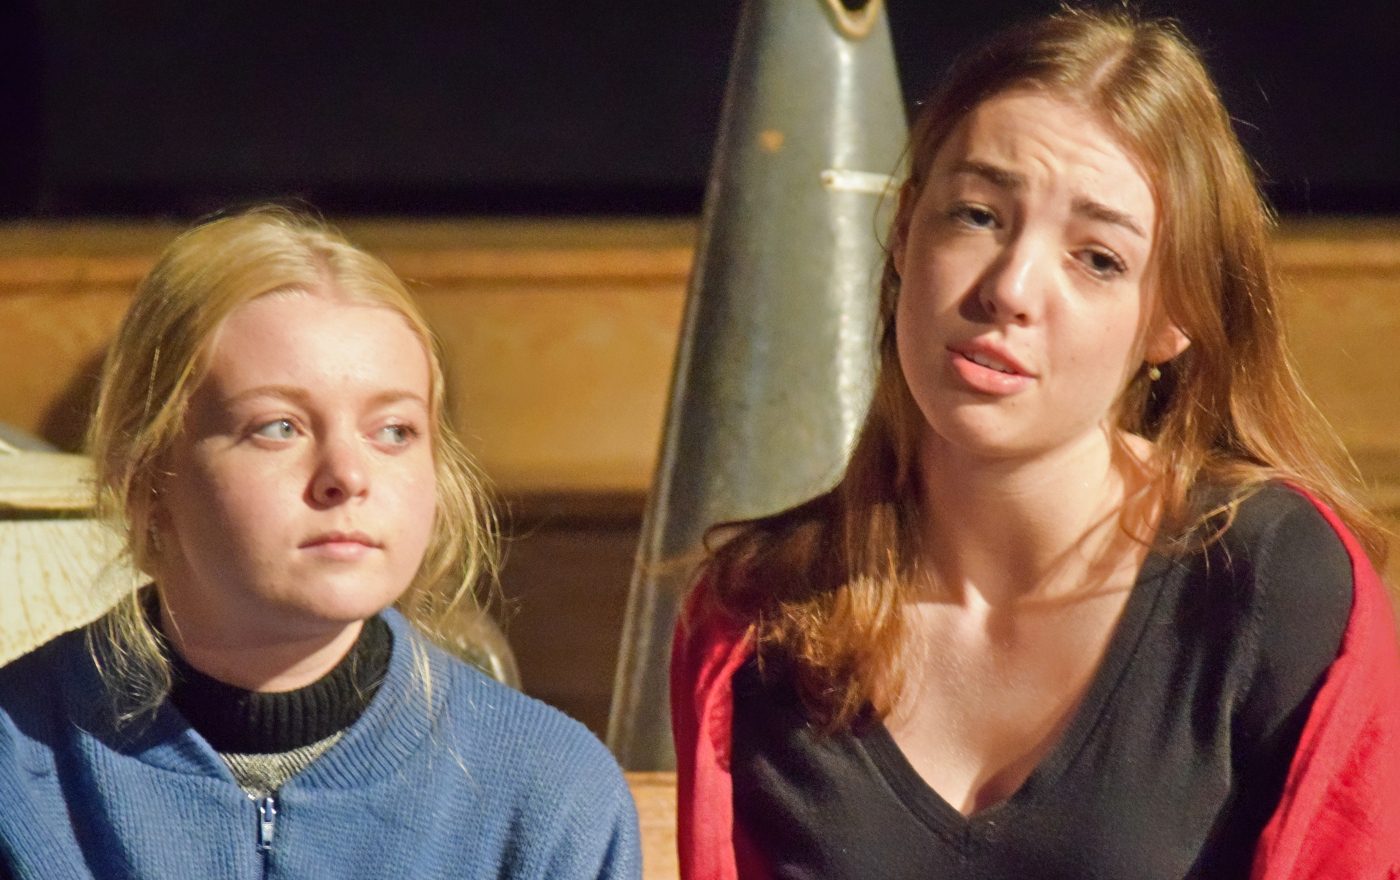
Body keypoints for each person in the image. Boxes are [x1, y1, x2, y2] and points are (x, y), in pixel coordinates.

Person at [671, 9, 1400, 879]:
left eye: (1097, 258)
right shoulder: (755, 620)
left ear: (1172, 318)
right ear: (904, 229)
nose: (1011, 289)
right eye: (977, 214)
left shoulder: (1271, 583)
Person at [0, 208, 641, 879]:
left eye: (393, 431)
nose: (347, 476)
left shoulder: (543, 792)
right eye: (278, 426)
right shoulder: (20, 765)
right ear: (147, 471)